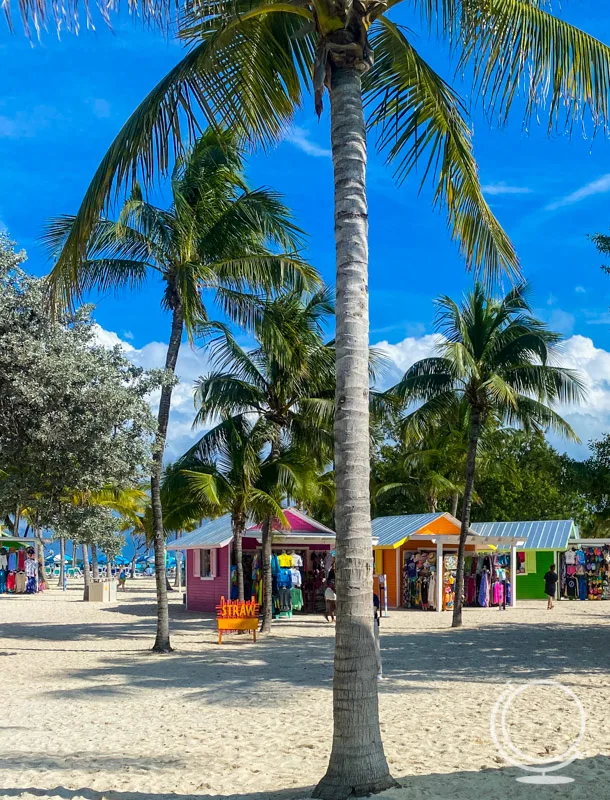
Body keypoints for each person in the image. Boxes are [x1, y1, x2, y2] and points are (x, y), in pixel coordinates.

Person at [374, 592, 383, 680]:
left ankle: (379, 672)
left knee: (376, 648)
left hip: (373, 622)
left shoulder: (374, 597)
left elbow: (373, 610)